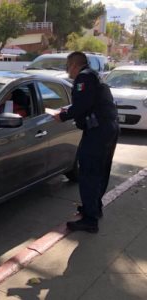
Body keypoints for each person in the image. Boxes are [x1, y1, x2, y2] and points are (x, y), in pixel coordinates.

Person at [53, 51, 119, 233]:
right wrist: (70, 109)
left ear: (74, 65)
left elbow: (82, 105)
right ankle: (93, 208)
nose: (68, 72)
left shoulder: (84, 78)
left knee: (89, 172)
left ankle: (90, 220)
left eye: (68, 67)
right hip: (107, 128)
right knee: (100, 170)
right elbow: (88, 103)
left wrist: (63, 115)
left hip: (98, 131)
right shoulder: (94, 76)